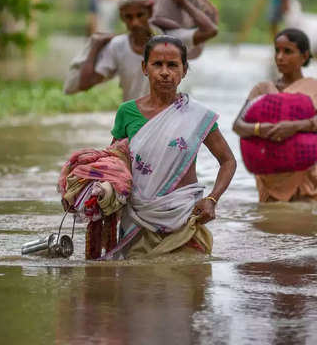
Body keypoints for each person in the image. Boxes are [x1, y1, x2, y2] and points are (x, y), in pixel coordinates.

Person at [99, 35, 237, 259]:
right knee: (138, 285)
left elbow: (228, 161)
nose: (165, 72)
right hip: (138, 219)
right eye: (157, 64)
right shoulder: (127, 112)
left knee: (187, 281)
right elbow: (114, 162)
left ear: (184, 70)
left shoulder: (198, 115)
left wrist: (212, 199)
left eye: (172, 65)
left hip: (185, 218)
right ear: (145, 68)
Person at [233, 28, 317, 203]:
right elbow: (238, 125)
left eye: (288, 51)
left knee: (308, 223)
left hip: (306, 171)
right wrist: (259, 129)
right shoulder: (262, 89)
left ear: (304, 56)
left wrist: (294, 127)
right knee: (271, 224)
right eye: (277, 51)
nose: (280, 57)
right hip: (271, 174)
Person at [76, 0, 218, 102]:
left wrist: (183, 3)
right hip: (135, 119)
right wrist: (94, 47)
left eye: (140, 15)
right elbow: (85, 84)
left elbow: (210, 30)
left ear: (150, 13)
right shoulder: (117, 46)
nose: (135, 22)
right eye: (129, 17)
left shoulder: (171, 39)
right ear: (122, 18)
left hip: (168, 116)